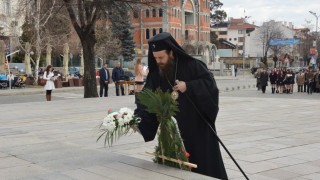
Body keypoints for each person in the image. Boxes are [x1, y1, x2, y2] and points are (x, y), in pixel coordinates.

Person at [134, 32, 228, 179]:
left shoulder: (194, 66)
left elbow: (211, 87)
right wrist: (137, 119)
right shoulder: (156, 75)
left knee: (204, 168)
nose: (158, 61)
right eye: (155, 57)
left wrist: (189, 86)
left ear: (171, 52)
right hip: (172, 133)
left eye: (161, 57)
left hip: (198, 131)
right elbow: (146, 99)